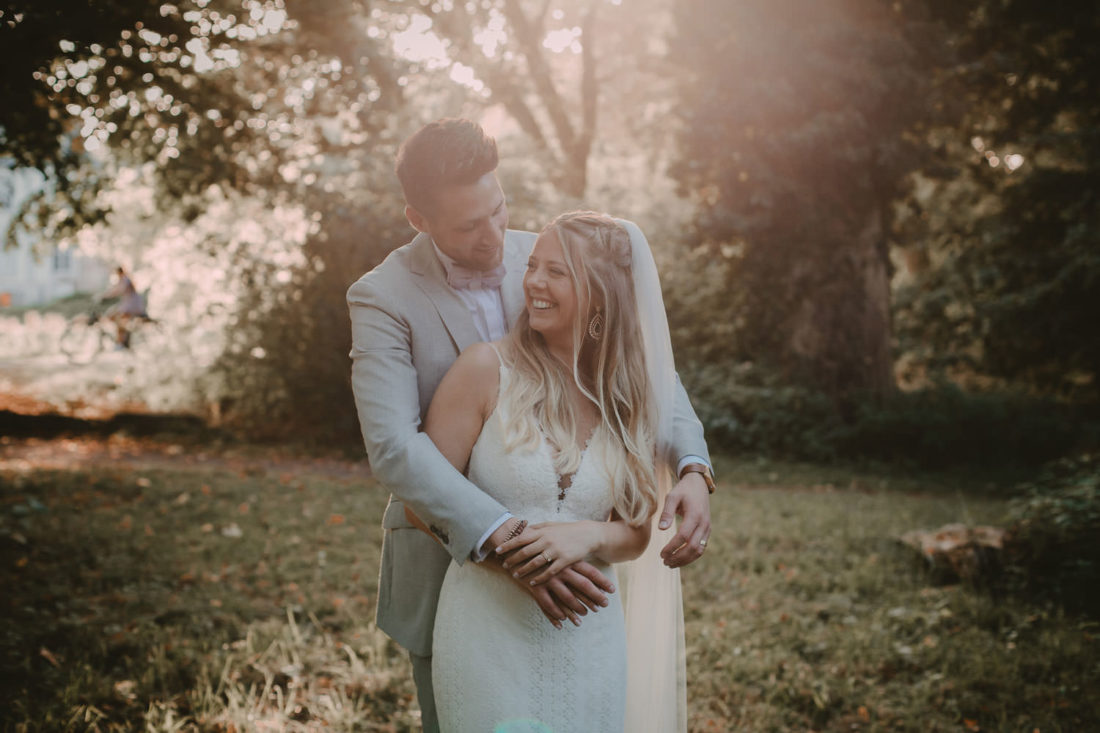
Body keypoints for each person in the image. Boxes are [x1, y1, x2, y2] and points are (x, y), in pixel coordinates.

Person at [346, 119, 715, 732]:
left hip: (582, 605)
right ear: (418, 219)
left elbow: (643, 367)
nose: (494, 237)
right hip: (453, 567)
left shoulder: (550, 256)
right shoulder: (382, 297)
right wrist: (510, 544)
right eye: (468, 225)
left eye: (498, 209)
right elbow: (394, 449)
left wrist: (694, 466)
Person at [420, 211, 696, 731]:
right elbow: (422, 501)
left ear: (602, 293)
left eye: (557, 272)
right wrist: (516, 556)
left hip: (589, 638)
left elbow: (636, 535)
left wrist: (586, 535)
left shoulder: (627, 398)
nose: (534, 284)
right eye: (533, 267)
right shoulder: (485, 370)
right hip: (488, 633)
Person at [98, 266, 146, 348]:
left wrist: (105, 296)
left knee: (117, 319)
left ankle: (121, 341)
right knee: (116, 319)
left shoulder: (125, 280)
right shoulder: (125, 280)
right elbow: (116, 290)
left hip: (131, 305)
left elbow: (118, 291)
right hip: (130, 304)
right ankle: (122, 339)